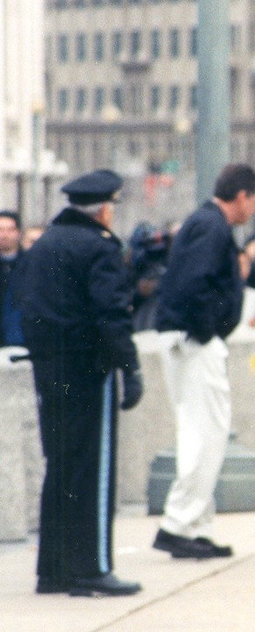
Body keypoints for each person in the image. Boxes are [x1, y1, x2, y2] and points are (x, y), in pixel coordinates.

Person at [14, 169, 143, 596]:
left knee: (61, 467)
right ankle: (93, 566)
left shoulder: (44, 245)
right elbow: (112, 314)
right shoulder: (100, 247)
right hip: (89, 372)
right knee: (93, 468)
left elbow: (28, 308)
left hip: (51, 371)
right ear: (104, 208)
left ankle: (53, 569)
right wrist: (130, 366)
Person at [151, 163, 255, 559]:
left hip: (189, 337)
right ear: (241, 195)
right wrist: (206, 331)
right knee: (206, 434)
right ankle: (179, 523)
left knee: (203, 434)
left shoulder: (206, 223)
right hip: (195, 341)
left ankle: (195, 525)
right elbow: (195, 284)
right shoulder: (211, 226)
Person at [0, 210, 25, 346]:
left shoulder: (30, 263)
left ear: (18, 233)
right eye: (0, 230)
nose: (5, 235)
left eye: (10, 230)